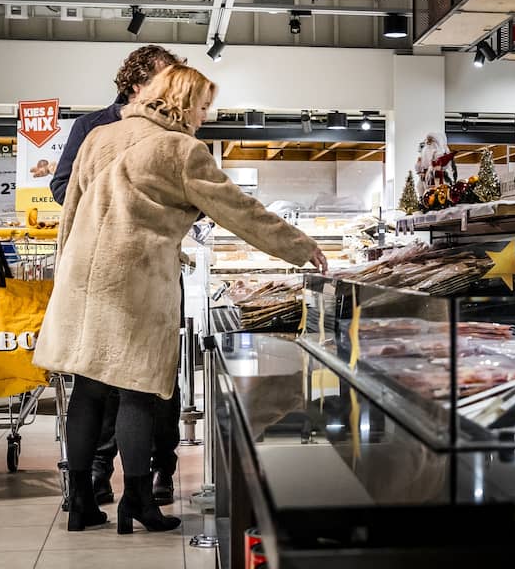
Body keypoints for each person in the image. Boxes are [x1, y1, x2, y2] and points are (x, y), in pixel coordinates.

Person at [35, 65, 329, 534]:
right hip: (135, 278)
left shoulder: (100, 137)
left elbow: (70, 208)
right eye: (204, 105)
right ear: (182, 101)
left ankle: (79, 504)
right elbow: (240, 211)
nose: (206, 116)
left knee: (88, 390)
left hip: (82, 277)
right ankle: (137, 502)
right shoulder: (181, 150)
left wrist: (64, 275)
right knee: (137, 389)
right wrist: (300, 246)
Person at [50, 45, 183, 507]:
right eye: (167, 81)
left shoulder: (172, 131)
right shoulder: (92, 128)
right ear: (137, 83)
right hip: (104, 271)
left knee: (158, 383)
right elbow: (63, 187)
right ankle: (101, 480)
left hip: (154, 269)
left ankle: (159, 470)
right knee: (103, 382)